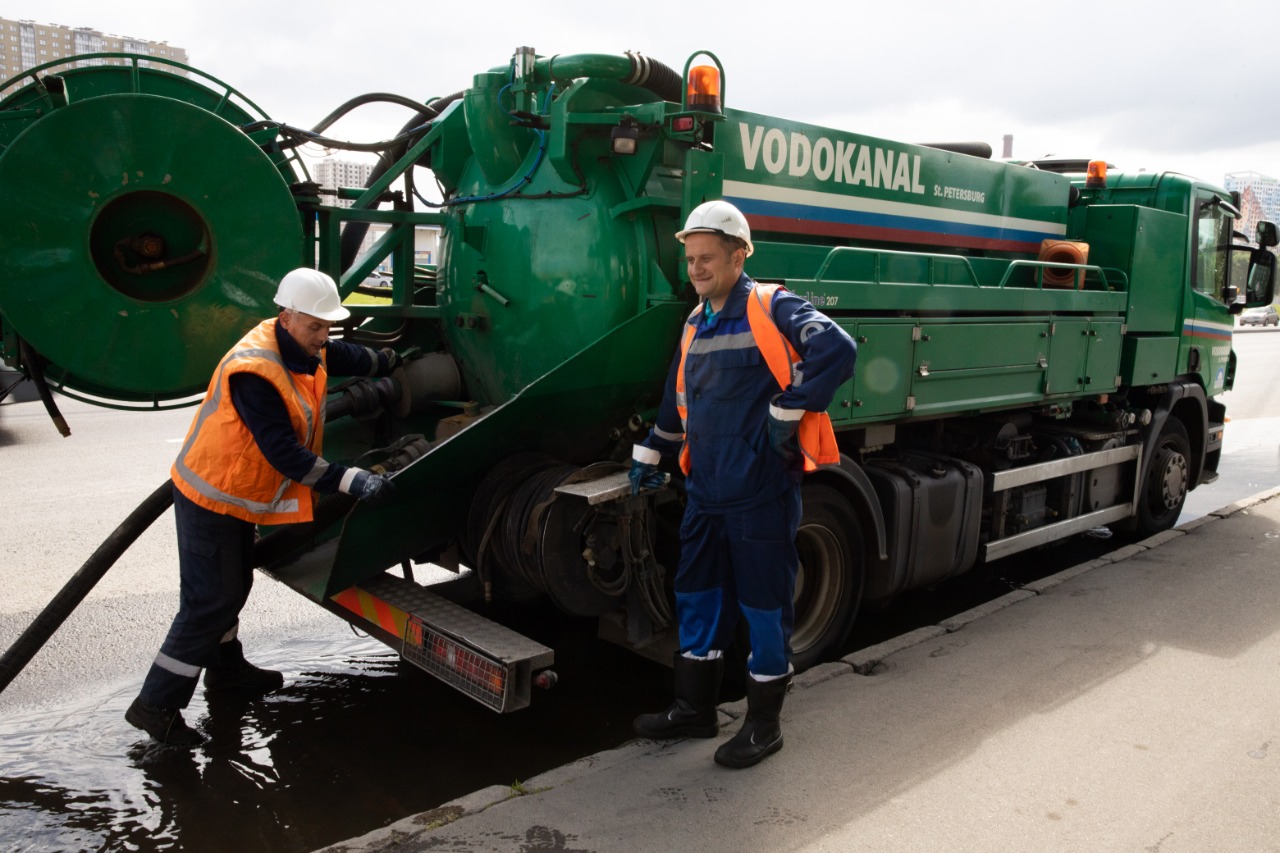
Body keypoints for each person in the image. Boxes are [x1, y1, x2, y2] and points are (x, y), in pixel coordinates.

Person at [126, 268, 400, 747]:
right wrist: (352, 480)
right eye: (315, 326)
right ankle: (156, 705)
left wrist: (384, 361)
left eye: (327, 326)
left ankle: (228, 674)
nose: (323, 336)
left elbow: (338, 353)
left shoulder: (301, 344)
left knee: (230, 587)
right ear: (286, 316)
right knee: (210, 599)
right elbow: (285, 455)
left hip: (233, 495)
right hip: (210, 494)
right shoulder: (256, 372)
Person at [630, 200, 856, 769]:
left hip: (759, 491)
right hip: (705, 490)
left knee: (764, 607)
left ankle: (763, 726)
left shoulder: (770, 305)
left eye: (707, 258)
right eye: (691, 259)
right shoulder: (695, 320)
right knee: (697, 597)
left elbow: (838, 348)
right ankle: (694, 709)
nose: (697, 268)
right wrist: (654, 448)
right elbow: (678, 392)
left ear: (739, 256)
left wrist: (788, 410)